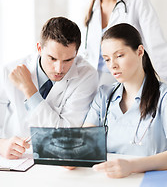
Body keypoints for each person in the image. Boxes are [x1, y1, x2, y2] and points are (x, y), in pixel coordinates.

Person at [83, 23, 167, 178]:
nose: (113, 65)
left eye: (119, 56)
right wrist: (71, 158)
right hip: (108, 180)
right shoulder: (103, 95)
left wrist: (132, 166)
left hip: (151, 180)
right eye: (107, 59)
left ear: (139, 51)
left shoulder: (166, 97)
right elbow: (84, 143)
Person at [0, 16, 98, 159]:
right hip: (15, 160)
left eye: (68, 60)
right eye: (52, 58)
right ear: (39, 48)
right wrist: (1, 145)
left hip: (59, 160)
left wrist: (30, 90)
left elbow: (66, 136)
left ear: (76, 53)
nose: (59, 69)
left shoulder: (86, 76)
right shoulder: (9, 71)